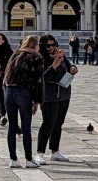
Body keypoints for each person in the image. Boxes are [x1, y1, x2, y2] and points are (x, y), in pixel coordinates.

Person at [3, 35, 45, 169]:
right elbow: (37, 80)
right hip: (23, 92)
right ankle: (28, 159)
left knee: (12, 127)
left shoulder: (15, 54)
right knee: (26, 127)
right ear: (36, 45)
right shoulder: (36, 56)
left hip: (9, 91)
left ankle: (13, 160)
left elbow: (6, 75)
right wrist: (37, 100)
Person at [36, 34, 77, 165]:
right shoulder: (40, 58)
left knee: (59, 123)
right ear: (43, 46)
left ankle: (55, 150)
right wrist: (54, 64)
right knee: (48, 123)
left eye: (53, 44)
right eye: (48, 45)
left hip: (64, 93)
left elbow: (69, 66)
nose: (52, 48)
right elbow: (43, 77)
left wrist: (73, 68)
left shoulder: (61, 55)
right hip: (49, 95)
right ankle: (39, 152)